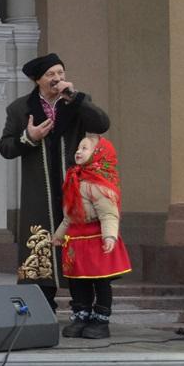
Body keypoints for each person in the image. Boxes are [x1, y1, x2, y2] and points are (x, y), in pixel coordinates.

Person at [0, 53, 110, 309]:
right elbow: (5, 148)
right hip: (39, 193)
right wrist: (29, 136)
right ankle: (42, 306)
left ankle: (82, 307)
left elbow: (102, 124)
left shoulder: (77, 102)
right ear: (37, 80)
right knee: (40, 245)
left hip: (75, 190)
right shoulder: (19, 109)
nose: (57, 79)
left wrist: (78, 99)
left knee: (78, 243)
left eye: (60, 73)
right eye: (51, 75)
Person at [52, 134, 131, 339]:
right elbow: (69, 216)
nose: (79, 151)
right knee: (78, 282)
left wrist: (110, 237)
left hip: (95, 239)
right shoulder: (74, 180)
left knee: (100, 282)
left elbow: (109, 214)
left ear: (98, 154)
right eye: (79, 147)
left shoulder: (99, 184)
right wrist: (59, 235)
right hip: (76, 243)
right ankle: (81, 315)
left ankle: (101, 320)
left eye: (85, 148)